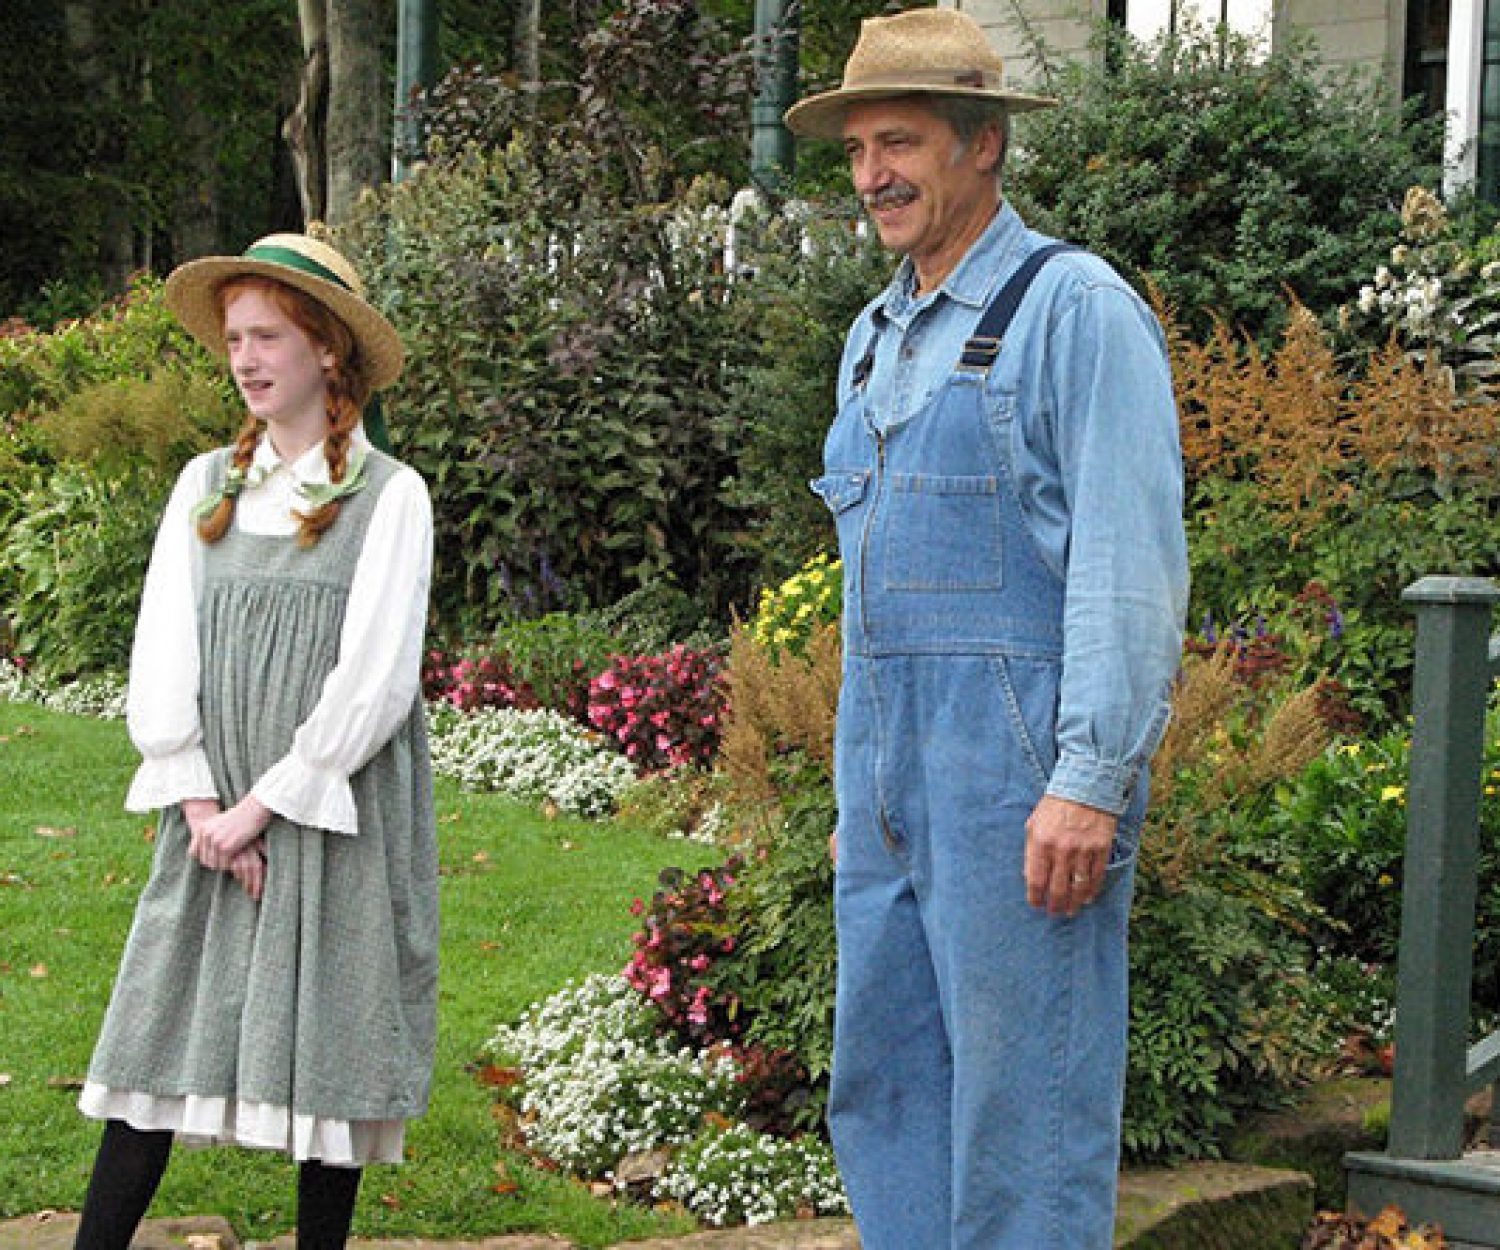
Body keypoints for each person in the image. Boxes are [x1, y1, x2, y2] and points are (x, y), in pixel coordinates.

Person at [785, 10, 1188, 1249]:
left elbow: (1130, 565)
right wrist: (863, 780)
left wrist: (1091, 780)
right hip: (889, 778)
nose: (872, 177)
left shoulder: (1076, 310)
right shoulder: (873, 341)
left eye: (897, 141)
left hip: (1019, 785)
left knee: (1028, 1120)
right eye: (856, 151)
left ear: (985, 143)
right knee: (889, 1092)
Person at [72, 234, 438, 1250]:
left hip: (327, 807)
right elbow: (161, 648)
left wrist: (263, 805)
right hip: (211, 815)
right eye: (234, 336)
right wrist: (201, 804)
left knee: (330, 1040)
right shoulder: (204, 483)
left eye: (268, 333)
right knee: (153, 1032)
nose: (245, 356)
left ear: (328, 351)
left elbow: (375, 680)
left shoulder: (389, 496)